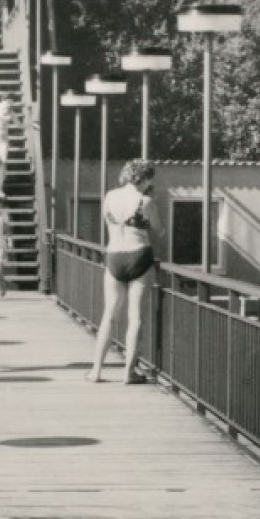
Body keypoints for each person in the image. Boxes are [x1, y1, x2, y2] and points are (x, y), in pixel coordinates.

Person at [88, 159, 158, 384]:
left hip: (115, 255)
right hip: (139, 255)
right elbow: (161, 230)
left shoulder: (110, 196)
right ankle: (128, 372)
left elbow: (108, 222)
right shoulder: (145, 201)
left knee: (109, 315)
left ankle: (96, 371)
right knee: (135, 318)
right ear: (145, 179)